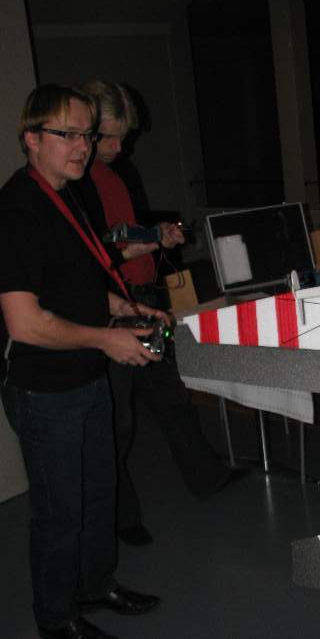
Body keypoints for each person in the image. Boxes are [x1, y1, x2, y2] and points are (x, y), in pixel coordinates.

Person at [0, 85, 163, 639]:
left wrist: (127, 310)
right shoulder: (15, 214)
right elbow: (25, 323)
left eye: (86, 134)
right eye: (67, 134)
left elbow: (79, 285)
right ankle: (56, 616)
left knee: (97, 492)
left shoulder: (68, 195)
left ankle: (95, 586)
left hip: (86, 376)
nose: (82, 146)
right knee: (60, 510)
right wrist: (107, 338)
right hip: (43, 389)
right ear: (31, 139)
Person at [79, 80, 237, 547]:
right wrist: (144, 244)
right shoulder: (77, 181)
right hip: (114, 308)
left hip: (145, 299)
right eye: (110, 137)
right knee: (117, 419)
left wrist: (157, 232)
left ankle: (207, 477)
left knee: (172, 397)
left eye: (122, 137)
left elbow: (127, 229)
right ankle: (120, 515)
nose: (118, 147)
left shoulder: (119, 172)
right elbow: (93, 255)